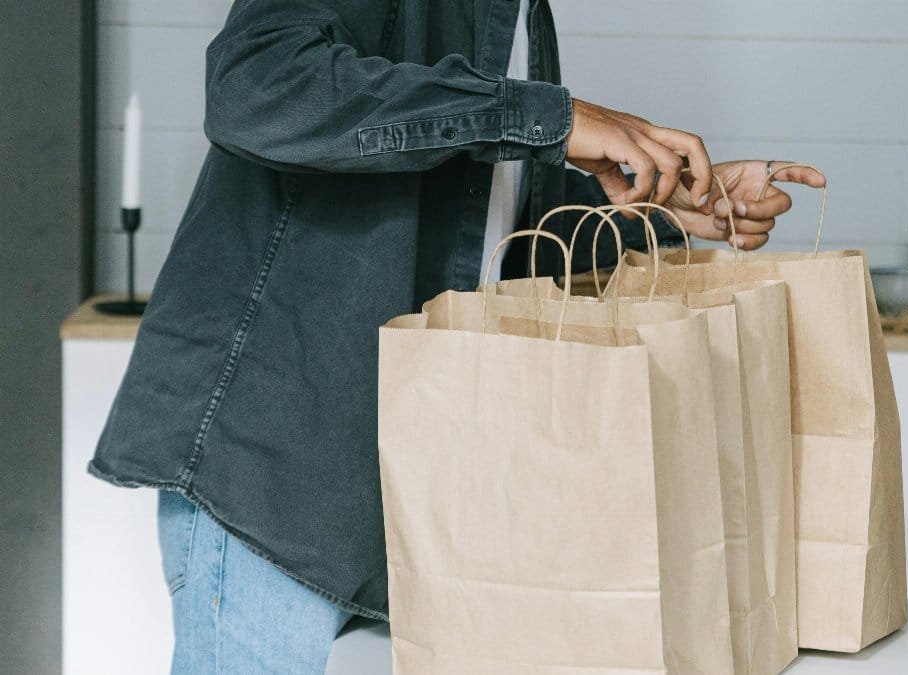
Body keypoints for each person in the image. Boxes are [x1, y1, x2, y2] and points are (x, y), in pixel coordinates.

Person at [89, 1, 825, 672]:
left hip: (401, 477)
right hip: (270, 474)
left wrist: (667, 213)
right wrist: (549, 119)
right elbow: (256, 84)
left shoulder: (516, 15)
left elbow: (486, 229)